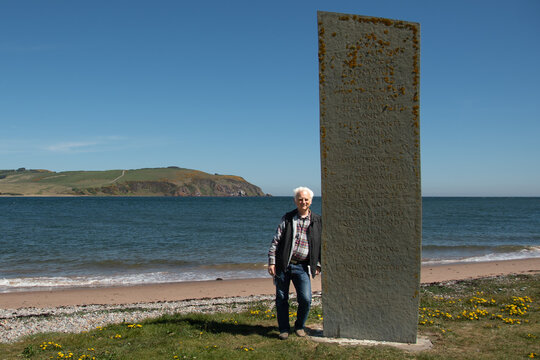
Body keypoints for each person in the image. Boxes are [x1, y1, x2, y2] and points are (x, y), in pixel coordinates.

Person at [268, 186, 322, 340]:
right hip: (283, 265)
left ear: (311, 201)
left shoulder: (317, 221)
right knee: (281, 298)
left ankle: (299, 326)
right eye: (300, 199)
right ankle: (284, 329)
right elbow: (275, 241)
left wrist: (318, 265)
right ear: (295, 201)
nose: (303, 202)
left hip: (303, 267)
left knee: (306, 299)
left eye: (306, 199)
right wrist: (272, 262)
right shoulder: (287, 218)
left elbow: (321, 245)